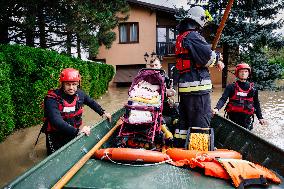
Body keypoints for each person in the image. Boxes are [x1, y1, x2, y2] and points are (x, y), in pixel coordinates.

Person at [174, 6, 224, 147]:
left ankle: (180, 146)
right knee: (201, 120)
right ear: (200, 20)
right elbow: (207, 58)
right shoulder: (194, 36)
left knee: (185, 119)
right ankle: (199, 150)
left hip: (185, 87)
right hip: (198, 87)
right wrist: (218, 58)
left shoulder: (181, 38)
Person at [43, 68, 111, 155]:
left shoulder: (80, 94)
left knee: (71, 153)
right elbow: (56, 121)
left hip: (71, 131)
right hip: (56, 135)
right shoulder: (52, 98)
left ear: (78, 83)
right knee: (53, 157)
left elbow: (91, 102)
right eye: (68, 84)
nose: (71, 87)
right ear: (62, 84)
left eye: (74, 84)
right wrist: (78, 132)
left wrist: (103, 112)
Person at [212, 63, 267, 130]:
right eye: (241, 71)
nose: (243, 73)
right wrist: (217, 108)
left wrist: (260, 118)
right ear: (237, 73)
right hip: (232, 118)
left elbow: (256, 104)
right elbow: (223, 99)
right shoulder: (231, 87)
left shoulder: (253, 89)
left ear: (248, 73)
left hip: (247, 120)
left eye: (246, 71)